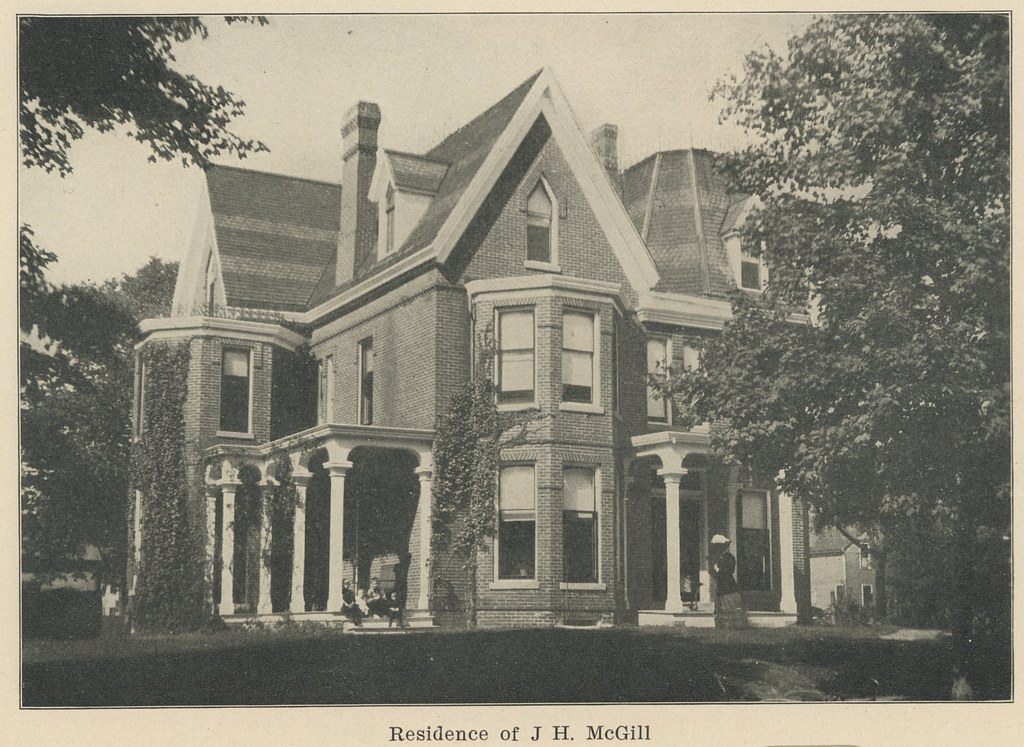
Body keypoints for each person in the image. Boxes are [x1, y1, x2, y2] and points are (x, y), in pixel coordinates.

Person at [710, 534, 747, 628]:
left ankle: (731, 626)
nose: (716, 549)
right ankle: (722, 626)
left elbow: (729, 571)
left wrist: (718, 569)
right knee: (721, 608)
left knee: (729, 608)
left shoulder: (729, 557)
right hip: (722, 586)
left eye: (718, 546)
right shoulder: (720, 557)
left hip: (728, 587)